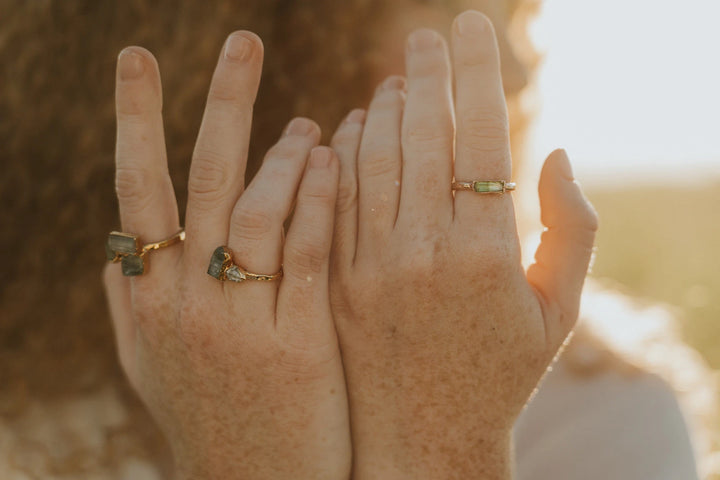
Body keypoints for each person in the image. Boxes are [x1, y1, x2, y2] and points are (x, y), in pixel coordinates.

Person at [0, 1, 713, 478]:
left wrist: (443, 449)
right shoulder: (34, 396)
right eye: (454, 6)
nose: (520, 71)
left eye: (514, 16)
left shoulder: (600, 412)